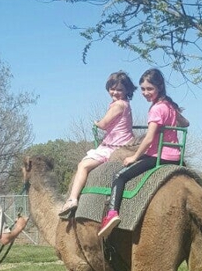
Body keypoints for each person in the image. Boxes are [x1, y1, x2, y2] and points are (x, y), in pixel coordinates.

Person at [98, 68, 189, 238]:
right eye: (143, 89)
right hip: (176, 157)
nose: (146, 93)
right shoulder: (169, 105)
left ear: (159, 87)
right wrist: (175, 115)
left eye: (150, 89)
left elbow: (148, 139)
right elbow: (185, 124)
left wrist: (134, 157)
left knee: (119, 176)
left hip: (159, 156)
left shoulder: (156, 109)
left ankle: (111, 214)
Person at [59, 71, 137, 216]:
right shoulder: (126, 104)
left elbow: (104, 124)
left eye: (119, 89)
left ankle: (72, 199)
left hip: (113, 146)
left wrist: (97, 123)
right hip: (125, 142)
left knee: (83, 165)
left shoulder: (118, 105)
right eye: (112, 88)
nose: (115, 92)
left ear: (127, 90)